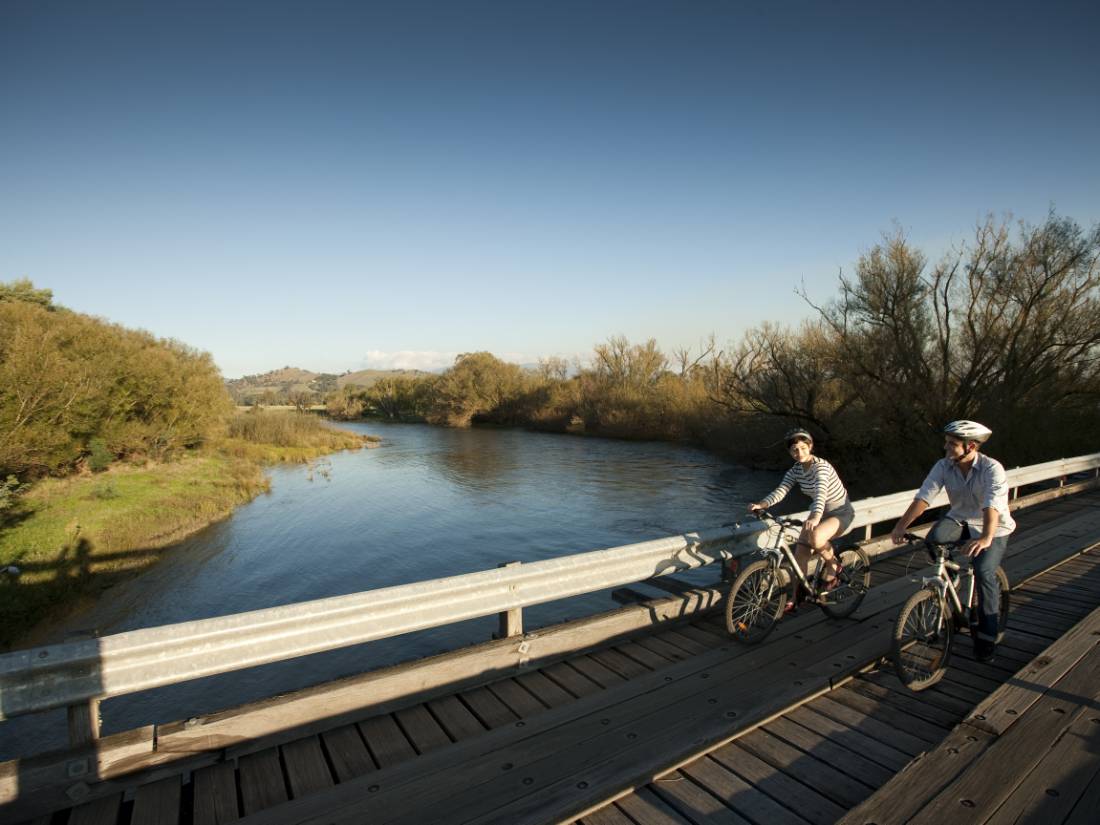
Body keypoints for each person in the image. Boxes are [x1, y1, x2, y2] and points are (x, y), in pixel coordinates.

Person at [890, 420, 1015, 662]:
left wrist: (986, 538)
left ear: (970, 447)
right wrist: (900, 526)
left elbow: (992, 506)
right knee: (933, 539)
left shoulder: (992, 469)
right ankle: (951, 579)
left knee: (983, 571)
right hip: (960, 519)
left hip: (993, 526)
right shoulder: (943, 466)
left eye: (952, 444)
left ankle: (987, 637)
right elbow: (924, 498)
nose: (946, 448)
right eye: (946, 442)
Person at [749, 428, 855, 611]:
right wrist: (762, 504)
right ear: (790, 452)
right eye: (794, 450)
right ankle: (797, 597)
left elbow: (821, 493)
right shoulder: (796, 470)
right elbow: (781, 490)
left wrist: (814, 517)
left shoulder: (820, 467)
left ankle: (834, 566)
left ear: (810, 446)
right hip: (818, 512)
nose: (799, 453)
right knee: (800, 556)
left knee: (816, 538)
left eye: (803, 448)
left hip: (840, 512)